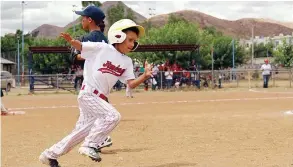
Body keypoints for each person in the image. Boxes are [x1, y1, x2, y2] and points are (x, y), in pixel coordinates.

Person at [39, 19, 152, 167]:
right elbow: (81, 46)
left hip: (100, 100)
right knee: (113, 116)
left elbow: (130, 84)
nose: (132, 44)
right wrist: (72, 41)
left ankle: (49, 155)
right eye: (130, 40)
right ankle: (90, 145)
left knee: (80, 133)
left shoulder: (127, 62)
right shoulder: (102, 48)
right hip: (89, 94)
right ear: (118, 36)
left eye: (134, 42)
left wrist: (144, 76)